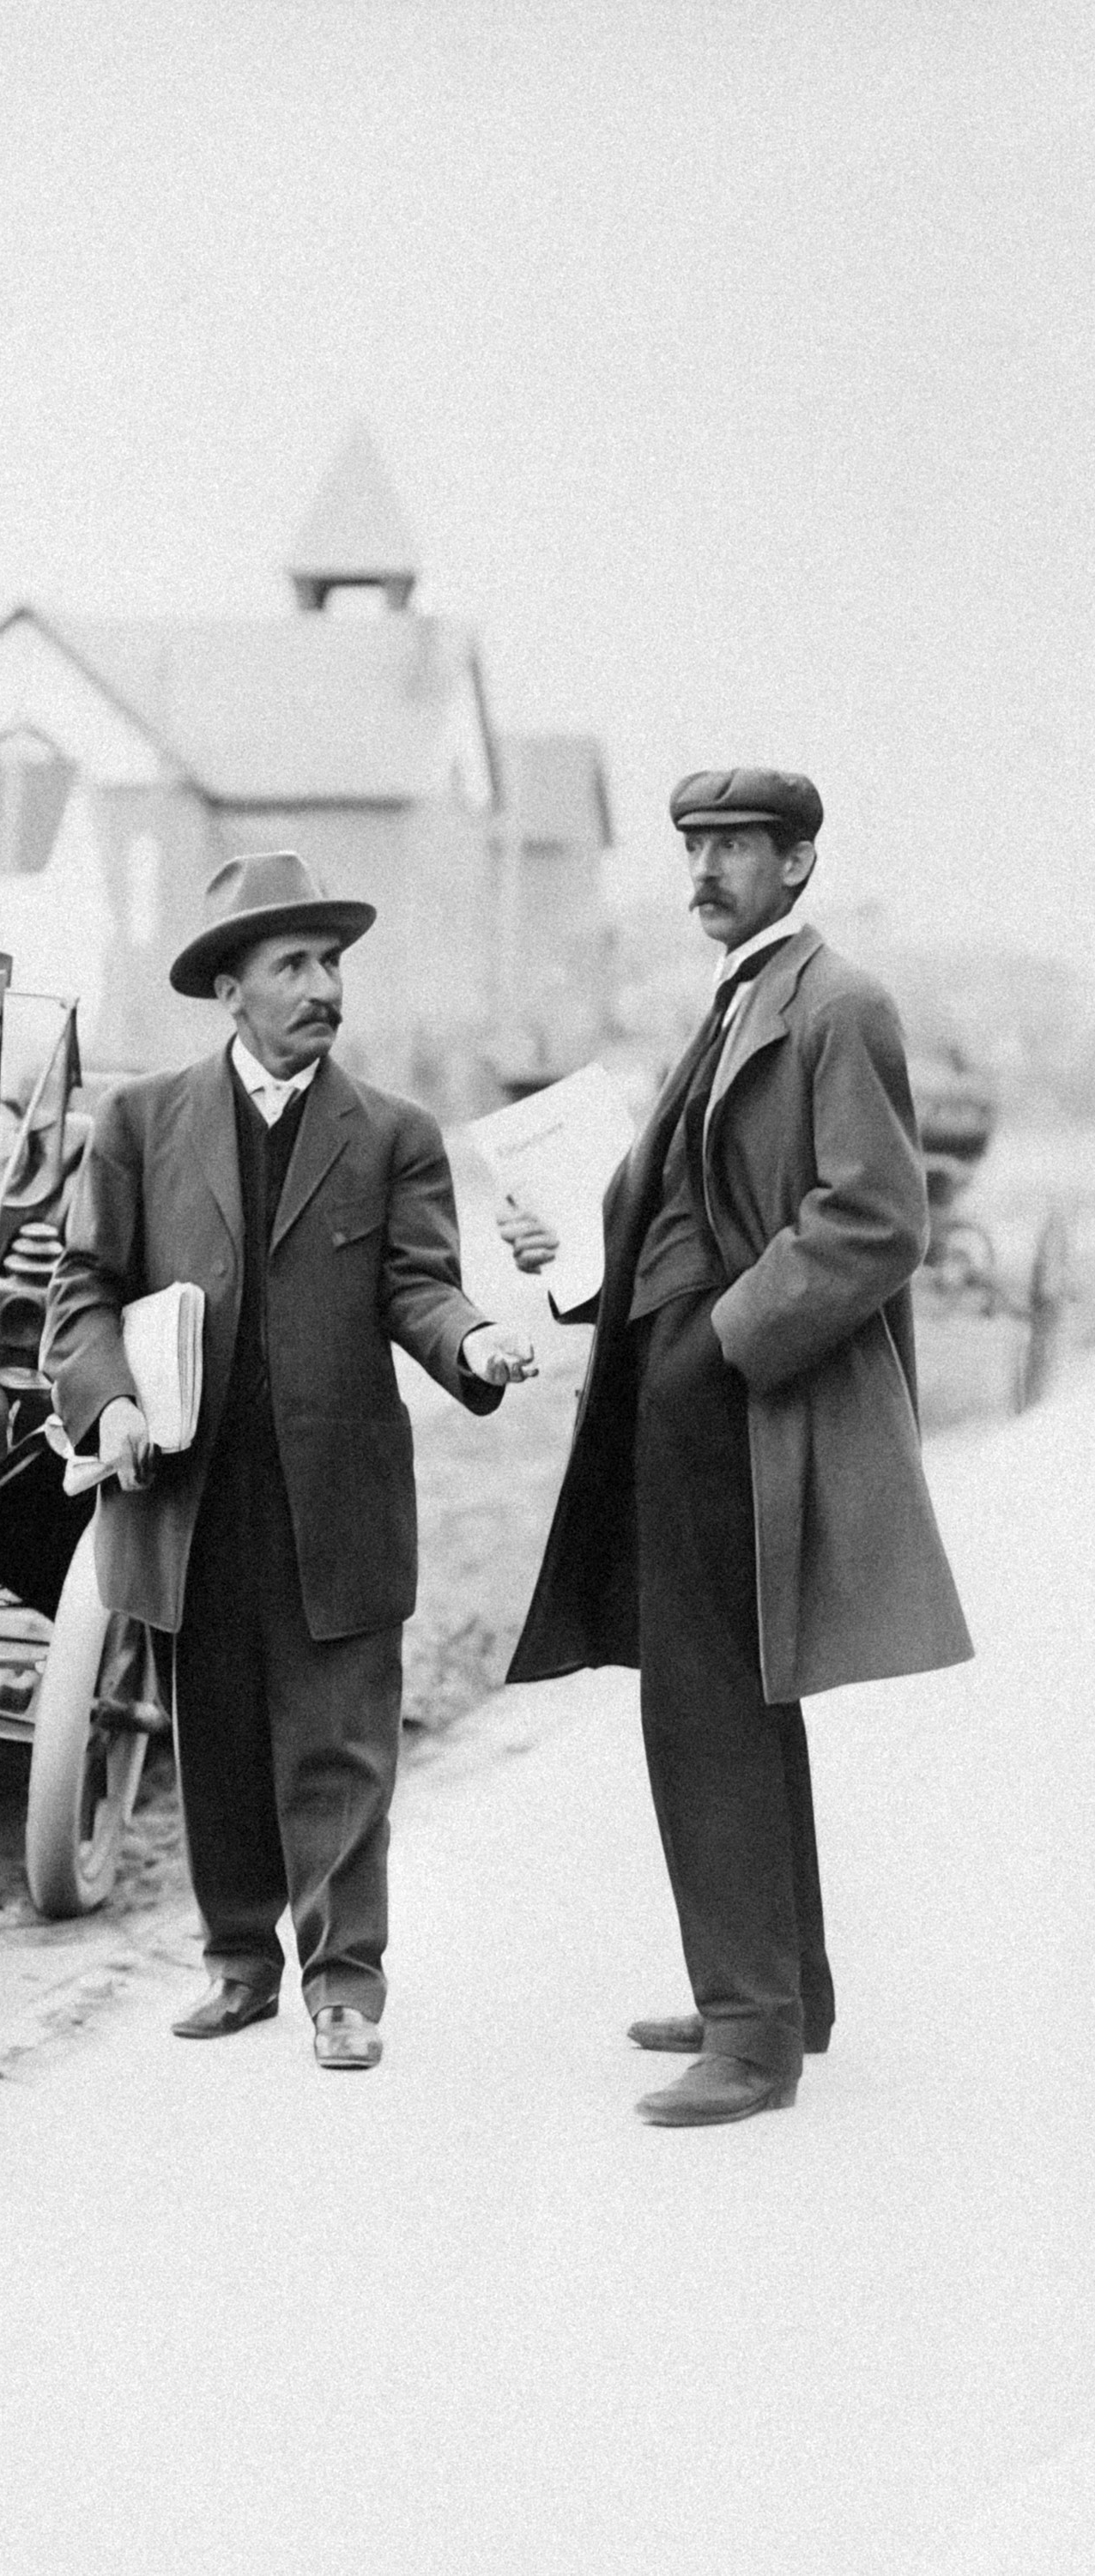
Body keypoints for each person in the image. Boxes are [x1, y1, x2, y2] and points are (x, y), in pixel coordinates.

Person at [501, 770, 970, 2126]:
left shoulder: (836, 1005)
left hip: (732, 1400)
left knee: (704, 1700)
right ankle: (779, 1996)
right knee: (727, 1694)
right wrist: (579, 1259)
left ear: (799, 863)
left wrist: (722, 1338)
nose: (704, 872)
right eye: (693, 848)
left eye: (735, 849)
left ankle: (751, 2037)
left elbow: (875, 1218)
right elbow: (674, 1206)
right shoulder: (733, 1000)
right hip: (675, 1389)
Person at [44, 851, 535, 2065]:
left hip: (335, 1494)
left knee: (340, 1741)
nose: (323, 988)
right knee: (212, 1739)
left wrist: (472, 1341)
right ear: (230, 988)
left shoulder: (393, 1135)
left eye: (331, 964)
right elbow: (82, 1292)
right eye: (294, 965)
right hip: (188, 1493)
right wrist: (104, 1403)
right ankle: (237, 1962)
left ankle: (345, 1984)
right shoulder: (140, 1123)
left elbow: (419, 1285)